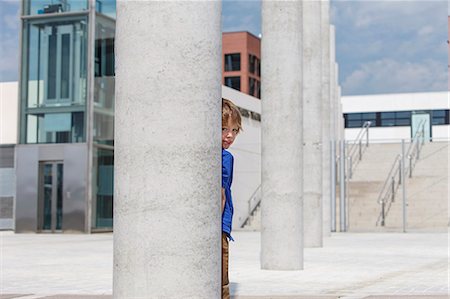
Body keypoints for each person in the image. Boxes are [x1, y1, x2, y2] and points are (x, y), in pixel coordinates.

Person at [221, 98, 242, 299]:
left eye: (234, 130)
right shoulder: (225, 157)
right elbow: (221, 194)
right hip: (219, 227)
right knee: (221, 283)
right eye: (224, 129)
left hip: (220, 226)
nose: (230, 135)